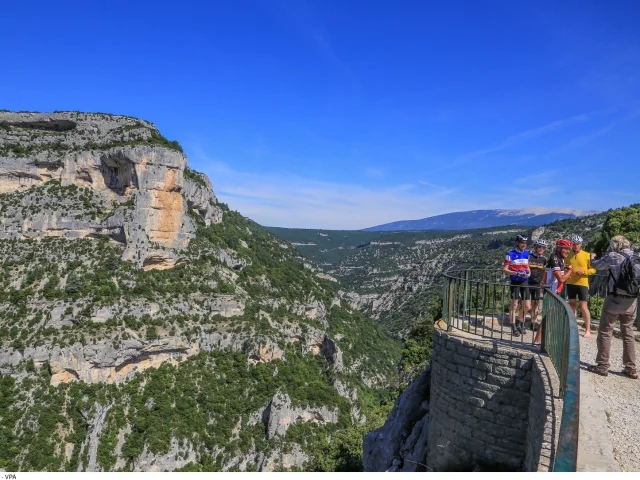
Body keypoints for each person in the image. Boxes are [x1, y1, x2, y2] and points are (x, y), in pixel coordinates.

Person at [587, 235, 640, 379]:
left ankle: (602, 366)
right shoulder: (636, 256)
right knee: (628, 333)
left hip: (614, 299)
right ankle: (631, 368)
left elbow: (596, 266)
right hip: (631, 300)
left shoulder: (613, 256)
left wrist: (592, 257)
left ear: (614, 245)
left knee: (605, 331)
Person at [534, 239, 573, 346]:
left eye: (569, 249)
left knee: (553, 317)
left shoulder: (560, 259)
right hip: (552, 292)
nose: (568, 251)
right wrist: (570, 271)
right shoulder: (555, 258)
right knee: (547, 318)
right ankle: (538, 341)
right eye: (566, 249)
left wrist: (564, 267)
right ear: (559, 248)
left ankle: (545, 341)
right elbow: (561, 279)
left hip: (556, 291)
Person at [565, 234, 596, 337]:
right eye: (574, 244)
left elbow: (593, 269)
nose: (576, 246)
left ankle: (588, 330)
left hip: (582, 283)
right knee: (572, 304)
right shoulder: (568, 255)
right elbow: (564, 267)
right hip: (570, 283)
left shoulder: (587, 255)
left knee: (583, 307)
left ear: (581, 244)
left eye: (577, 244)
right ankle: (573, 328)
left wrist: (583, 272)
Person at [503, 234, 531, 337]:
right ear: (517, 243)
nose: (524, 244)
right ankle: (513, 326)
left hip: (524, 281)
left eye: (525, 243)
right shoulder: (510, 254)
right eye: (522, 242)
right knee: (514, 305)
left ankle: (519, 322)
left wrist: (529, 272)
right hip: (515, 281)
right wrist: (516, 273)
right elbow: (505, 269)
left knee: (527, 306)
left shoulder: (527, 253)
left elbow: (527, 266)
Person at [528, 239, 548, 331]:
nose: (541, 249)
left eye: (543, 247)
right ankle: (520, 322)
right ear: (535, 247)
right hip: (527, 283)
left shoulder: (544, 259)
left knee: (535, 304)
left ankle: (533, 322)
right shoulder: (529, 257)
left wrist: (543, 282)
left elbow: (544, 271)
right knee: (526, 304)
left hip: (537, 284)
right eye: (539, 246)